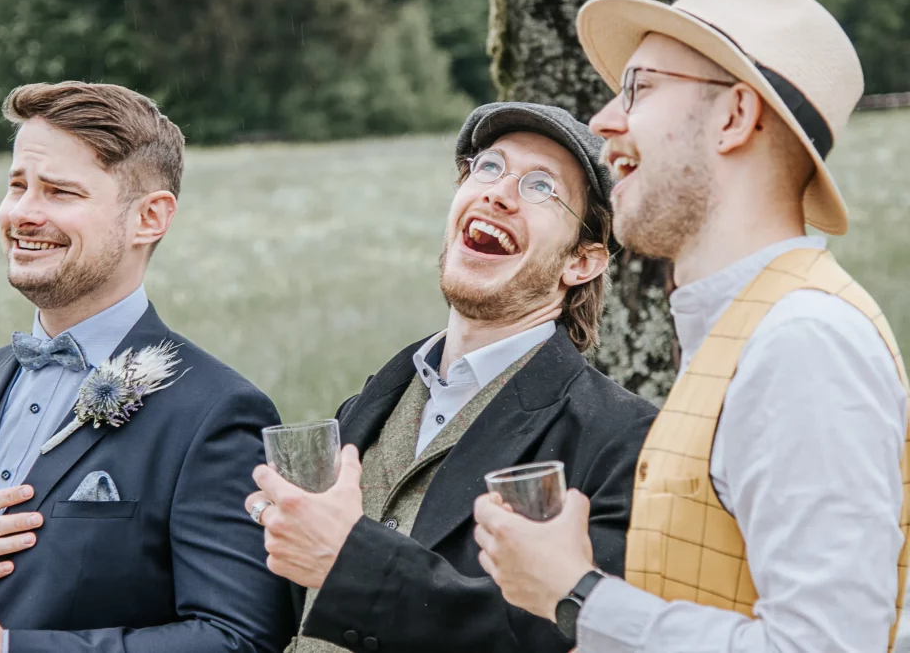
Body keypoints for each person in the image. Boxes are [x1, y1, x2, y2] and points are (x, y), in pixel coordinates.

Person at [474, 0, 910, 651]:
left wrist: (578, 597)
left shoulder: (803, 342)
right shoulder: (742, 333)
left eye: (640, 89)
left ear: (734, 117)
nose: (602, 121)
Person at [0, 82, 294, 653]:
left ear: (149, 218)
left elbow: (237, 639)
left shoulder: (216, 411)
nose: (24, 213)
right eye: (17, 185)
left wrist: (4, 651)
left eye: (59, 192)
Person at [244, 101, 658, 653]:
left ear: (581, 262)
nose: (498, 193)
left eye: (540, 187)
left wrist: (351, 561)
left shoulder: (626, 442)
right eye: (488, 167)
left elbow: (557, 639)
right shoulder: (365, 407)